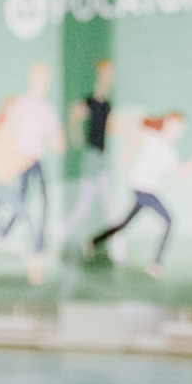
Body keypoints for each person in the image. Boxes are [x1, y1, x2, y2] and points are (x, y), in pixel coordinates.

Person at [90, 112, 192, 277]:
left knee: (123, 224)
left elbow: (180, 171)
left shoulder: (169, 151)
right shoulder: (151, 136)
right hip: (140, 188)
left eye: (180, 131)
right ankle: (155, 264)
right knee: (169, 220)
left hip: (147, 191)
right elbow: (134, 133)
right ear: (167, 123)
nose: (177, 133)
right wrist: (125, 156)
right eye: (176, 128)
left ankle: (93, 242)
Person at [0, 61, 61, 284]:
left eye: (46, 79)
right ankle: (2, 233)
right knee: (20, 203)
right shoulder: (20, 104)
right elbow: (4, 129)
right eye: (40, 78)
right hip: (20, 162)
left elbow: (54, 137)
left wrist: (56, 139)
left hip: (35, 160)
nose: (44, 84)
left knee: (42, 204)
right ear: (32, 79)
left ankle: (35, 251)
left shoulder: (47, 109)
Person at [60, 58, 120, 246]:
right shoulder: (92, 102)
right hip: (92, 157)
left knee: (105, 205)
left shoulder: (106, 104)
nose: (109, 79)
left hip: (100, 157)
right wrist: (75, 136)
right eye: (107, 75)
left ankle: (117, 248)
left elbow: (110, 127)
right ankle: (59, 232)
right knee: (87, 204)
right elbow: (74, 114)